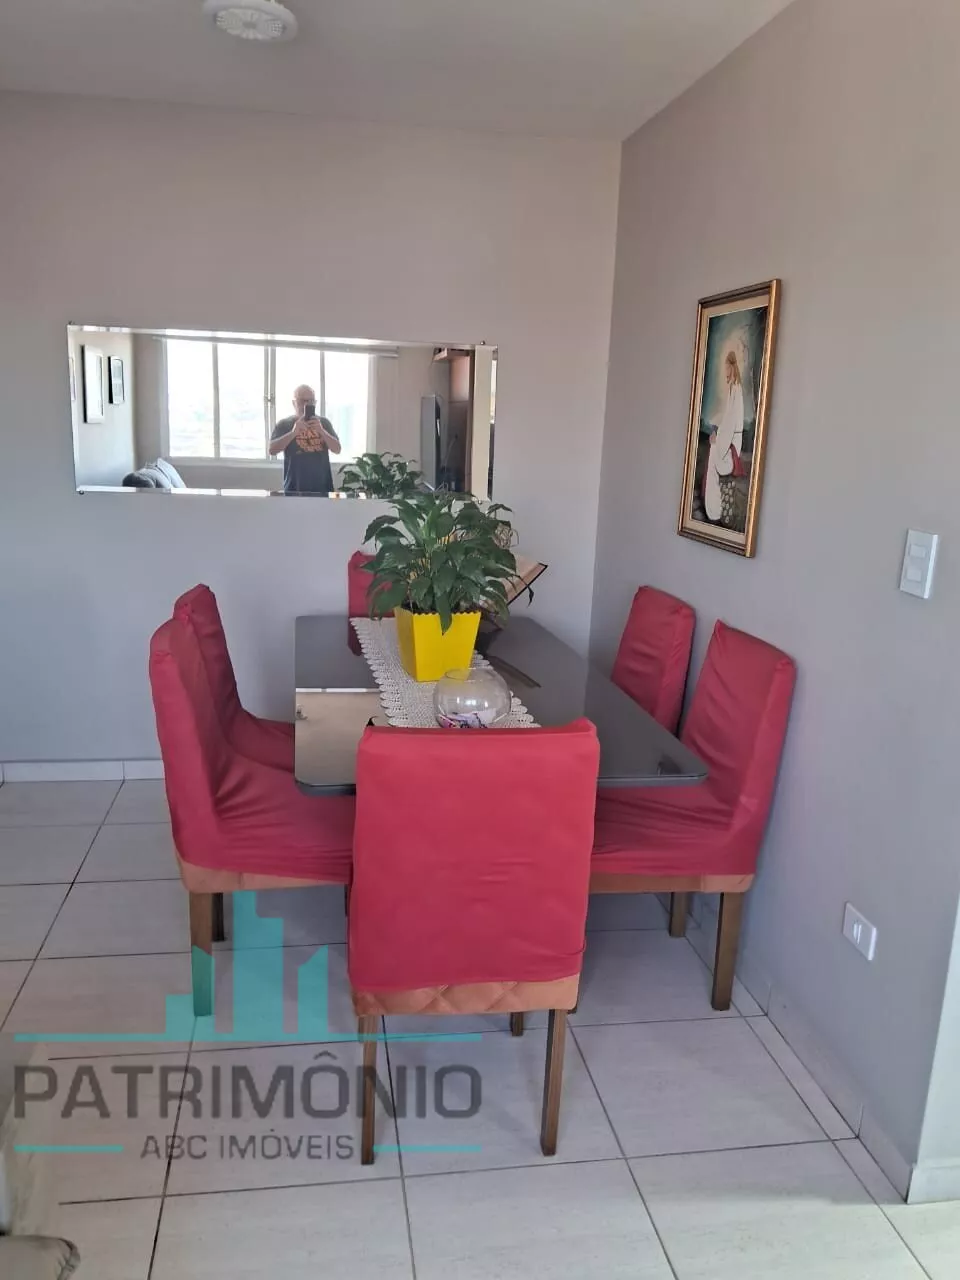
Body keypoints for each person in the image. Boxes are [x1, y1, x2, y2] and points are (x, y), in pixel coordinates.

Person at [270, 383, 341, 495]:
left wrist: (322, 431)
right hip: (293, 488)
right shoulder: (284, 424)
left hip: (323, 488)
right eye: (302, 401)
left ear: (315, 403)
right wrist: (293, 433)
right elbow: (272, 450)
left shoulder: (324, 423)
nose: (306, 405)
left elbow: (337, 449)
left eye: (311, 401)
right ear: (294, 403)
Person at [703, 350, 746, 522]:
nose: (725, 371)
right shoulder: (733, 388)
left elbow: (731, 423)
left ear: (731, 367)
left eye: (726, 367)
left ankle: (714, 510)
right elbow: (726, 419)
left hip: (731, 448)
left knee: (713, 457)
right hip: (728, 440)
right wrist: (717, 432)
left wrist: (717, 440)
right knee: (712, 451)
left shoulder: (736, 389)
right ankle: (713, 508)